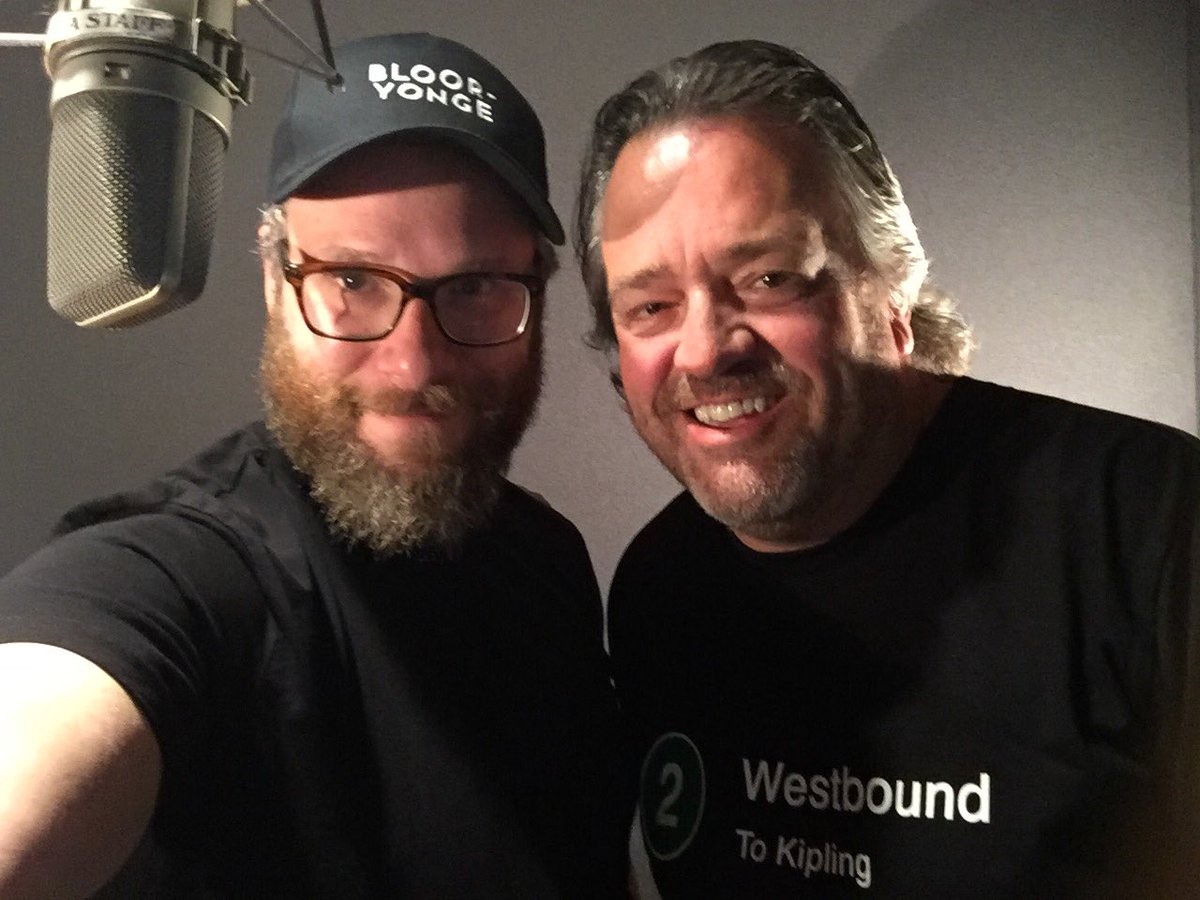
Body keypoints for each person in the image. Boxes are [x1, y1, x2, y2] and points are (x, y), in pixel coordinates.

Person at [0, 32, 634, 899]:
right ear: (274, 281)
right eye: (352, 282)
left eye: (477, 286)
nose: (415, 366)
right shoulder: (180, 576)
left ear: (538, 290)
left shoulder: (551, 564)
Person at [576, 39, 1199, 899]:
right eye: (650, 306)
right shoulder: (657, 590)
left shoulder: (1148, 524)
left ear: (892, 289)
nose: (707, 347)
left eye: (768, 277)